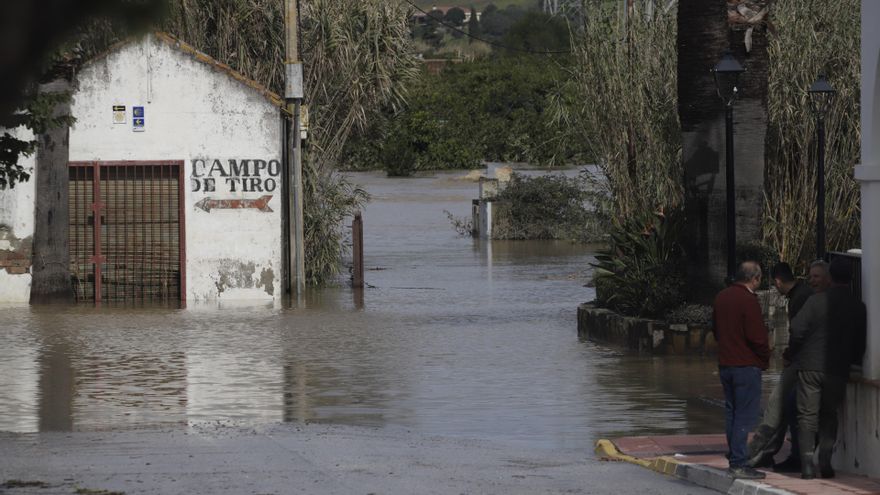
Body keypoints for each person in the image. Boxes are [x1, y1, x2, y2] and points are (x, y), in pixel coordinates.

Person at [790, 257, 867, 479]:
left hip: (810, 367)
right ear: (852, 280)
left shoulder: (816, 301)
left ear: (830, 278)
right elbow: (860, 344)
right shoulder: (858, 307)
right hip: (838, 369)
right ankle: (825, 460)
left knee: (807, 415)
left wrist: (798, 351)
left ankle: (806, 465)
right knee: (829, 415)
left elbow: (796, 330)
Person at [747, 262, 814, 470]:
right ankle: (769, 451)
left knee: (777, 404)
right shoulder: (803, 293)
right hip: (807, 360)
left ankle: (759, 448)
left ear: (777, 281)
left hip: (802, 360)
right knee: (787, 406)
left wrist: (788, 355)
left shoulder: (799, 298)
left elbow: (799, 332)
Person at [713, 261, 771, 479]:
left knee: (732, 413)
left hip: (726, 363)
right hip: (746, 365)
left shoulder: (721, 297)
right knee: (745, 416)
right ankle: (738, 462)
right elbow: (757, 336)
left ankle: (734, 455)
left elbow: (716, 330)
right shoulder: (748, 300)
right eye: (759, 279)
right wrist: (765, 358)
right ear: (754, 278)